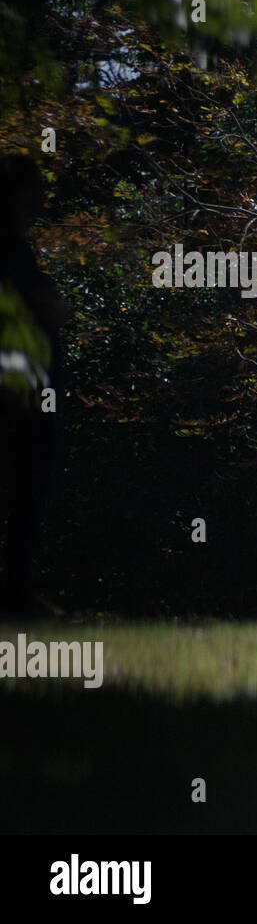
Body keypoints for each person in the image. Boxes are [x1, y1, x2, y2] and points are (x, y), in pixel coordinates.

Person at [1, 154, 67, 615]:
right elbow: (48, 307)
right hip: (21, 388)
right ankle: (16, 593)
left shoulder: (13, 249)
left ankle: (18, 591)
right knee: (26, 486)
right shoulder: (11, 250)